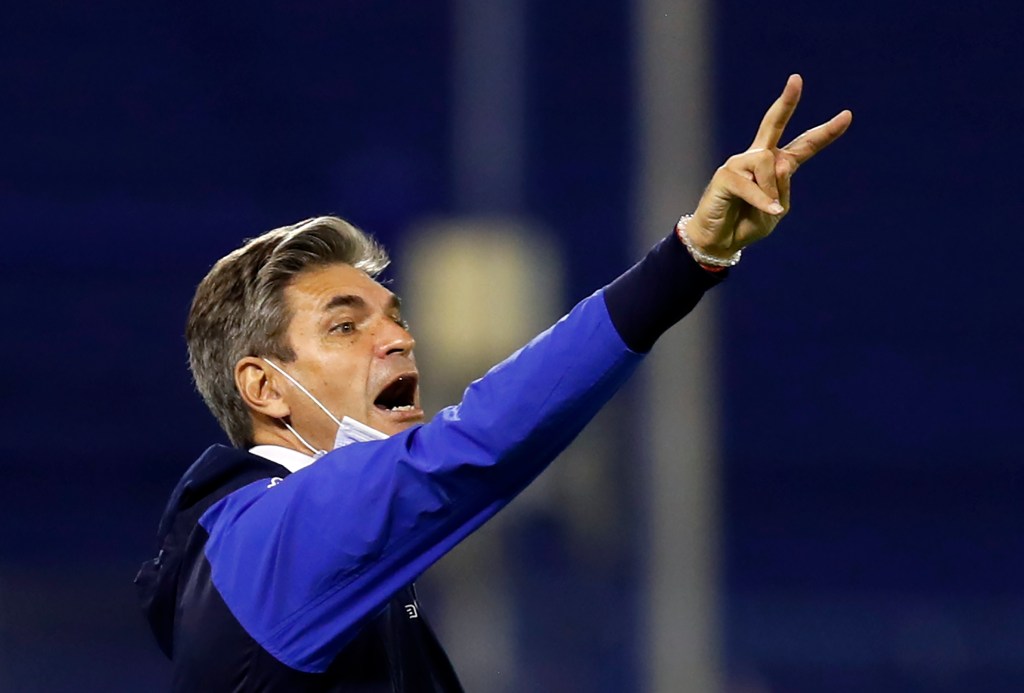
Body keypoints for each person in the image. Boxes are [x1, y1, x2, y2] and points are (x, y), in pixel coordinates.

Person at [136, 75, 851, 691]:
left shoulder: (325, 569)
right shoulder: (266, 542)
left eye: (395, 316)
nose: (399, 338)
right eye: (345, 326)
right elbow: (479, 441)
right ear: (263, 388)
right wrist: (687, 259)